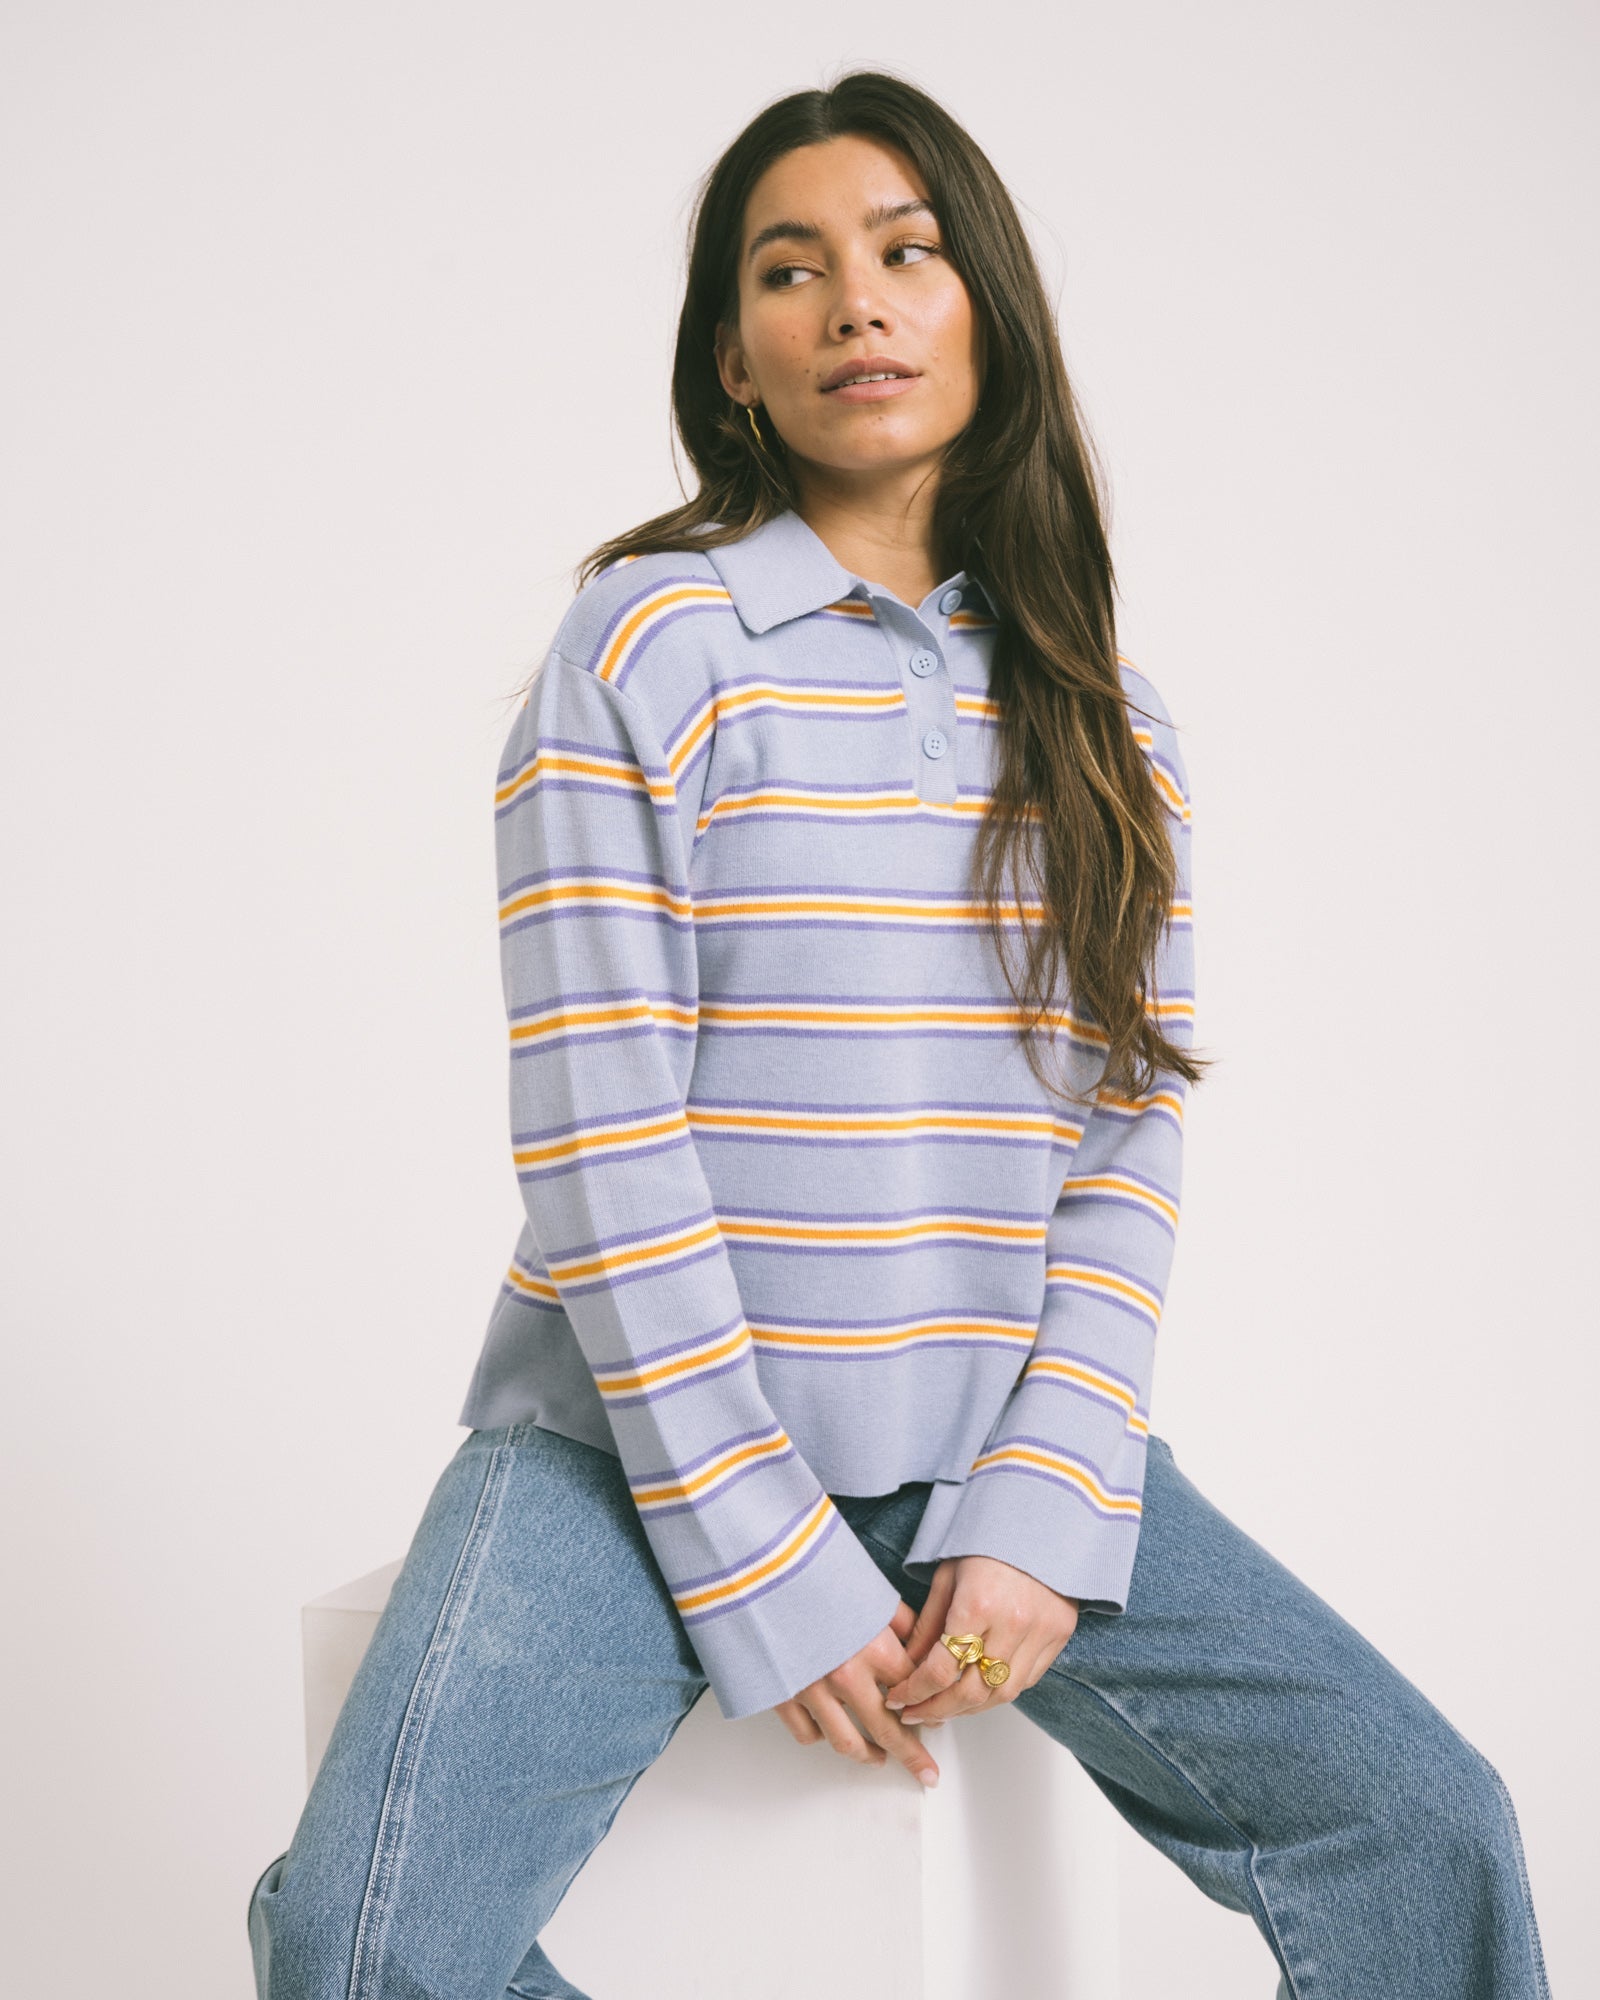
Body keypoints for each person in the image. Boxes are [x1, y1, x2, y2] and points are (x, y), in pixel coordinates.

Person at [246, 68, 1551, 2000]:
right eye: (790, 270)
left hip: (984, 1449)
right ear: (734, 365)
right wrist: (763, 1552)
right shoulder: (647, 648)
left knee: (1428, 1831)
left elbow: (1122, 1152)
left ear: (984, 311)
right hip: (624, 1453)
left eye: (904, 252)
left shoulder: (1111, 724)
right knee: (356, 1948)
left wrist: (1046, 1510)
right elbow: (604, 1136)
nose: (854, 299)